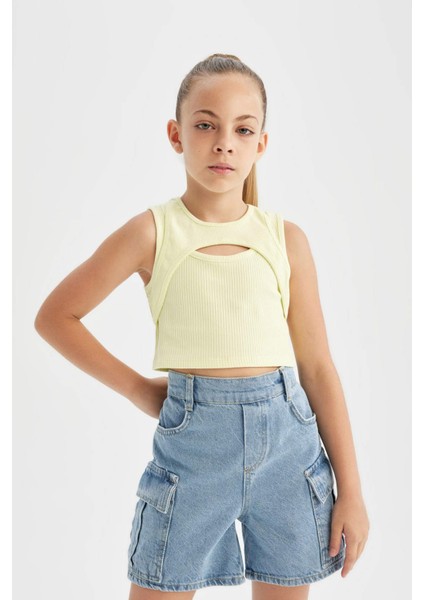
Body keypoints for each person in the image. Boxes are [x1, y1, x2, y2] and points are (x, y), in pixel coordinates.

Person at [34, 53, 370, 600]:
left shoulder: (286, 240)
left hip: (289, 452)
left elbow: (317, 369)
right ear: (176, 134)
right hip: (193, 454)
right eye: (206, 125)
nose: (224, 144)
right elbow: (55, 317)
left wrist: (351, 490)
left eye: (243, 130)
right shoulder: (152, 232)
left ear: (261, 144)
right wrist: (139, 389)